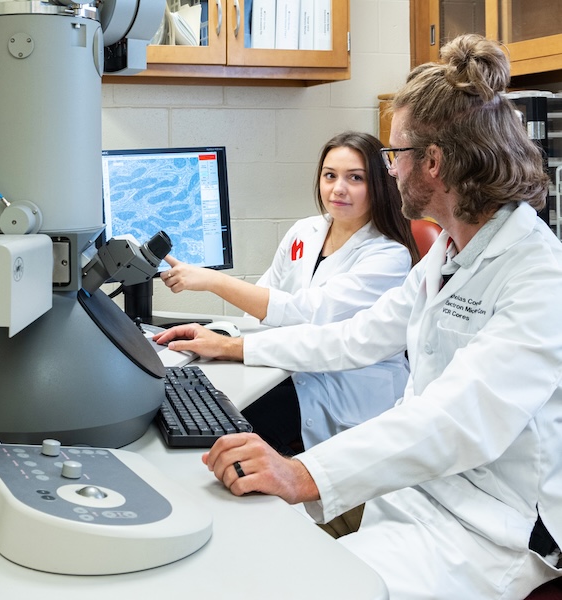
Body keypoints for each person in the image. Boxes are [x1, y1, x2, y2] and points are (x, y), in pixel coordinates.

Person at [154, 34, 562, 599]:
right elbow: (354, 337)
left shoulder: (538, 275)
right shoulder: (447, 254)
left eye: (393, 156)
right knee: (247, 549)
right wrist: (237, 347)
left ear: (434, 162)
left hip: (489, 529)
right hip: (416, 493)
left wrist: (303, 473)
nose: (389, 172)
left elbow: (460, 417)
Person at [161, 131, 419, 454]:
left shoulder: (388, 257)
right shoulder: (304, 232)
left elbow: (308, 313)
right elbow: (263, 303)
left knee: (223, 438)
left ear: (379, 185)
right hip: (290, 370)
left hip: (343, 390)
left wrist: (213, 284)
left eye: (355, 178)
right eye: (330, 176)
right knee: (202, 410)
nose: (338, 188)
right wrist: (217, 339)